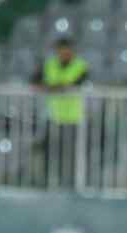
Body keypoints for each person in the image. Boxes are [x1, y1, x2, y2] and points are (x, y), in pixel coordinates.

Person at [33, 39, 88, 187]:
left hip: (73, 117)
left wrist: (51, 87)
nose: (63, 53)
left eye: (66, 49)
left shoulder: (81, 65)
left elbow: (73, 84)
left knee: (71, 152)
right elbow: (35, 81)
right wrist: (53, 87)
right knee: (48, 150)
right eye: (60, 50)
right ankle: (46, 181)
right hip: (52, 115)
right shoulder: (49, 64)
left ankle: (72, 182)